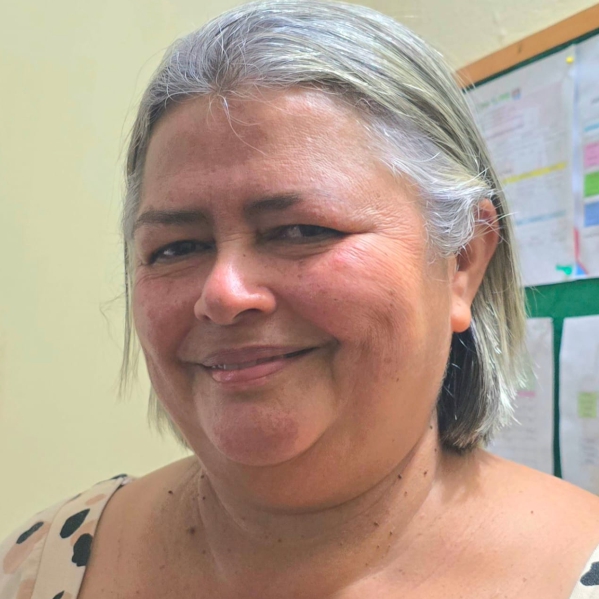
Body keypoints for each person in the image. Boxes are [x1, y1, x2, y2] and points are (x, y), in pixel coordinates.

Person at [2, 1, 599, 597]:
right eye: (177, 247)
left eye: (300, 230)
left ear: (462, 260)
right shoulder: (38, 564)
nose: (223, 293)